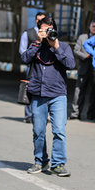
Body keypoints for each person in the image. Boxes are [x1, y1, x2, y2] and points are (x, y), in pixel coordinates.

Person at [21, 16, 75, 177]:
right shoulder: (35, 46)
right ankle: (40, 161)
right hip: (38, 94)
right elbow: (24, 58)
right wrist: (37, 42)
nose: (47, 33)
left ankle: (58, 164)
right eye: (44, 30)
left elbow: (71, 64)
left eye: (50, 30)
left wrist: (56, 46)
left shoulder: (63, 46)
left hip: (58, 94)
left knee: (59, 130)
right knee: (38, 131)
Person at [19, 12, 46, 123]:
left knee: (44, 90)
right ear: (35, 20)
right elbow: (22, 50)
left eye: (43, 20)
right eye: (38, 20)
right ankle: (29, 115)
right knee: (29, 89)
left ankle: (42, 115)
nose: (40, 22)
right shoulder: (28, 33)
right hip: (31, 66)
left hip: (45, 67)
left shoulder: (48, 34)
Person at [71, 21, 95, 120]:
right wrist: (85, 56)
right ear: (89, 27)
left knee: (93, 92)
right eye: (93, 26)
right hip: (84, 67)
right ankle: (75, 113)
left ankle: (91, 114)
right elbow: (76, 50)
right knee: (79, 91)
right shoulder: (82, 37)